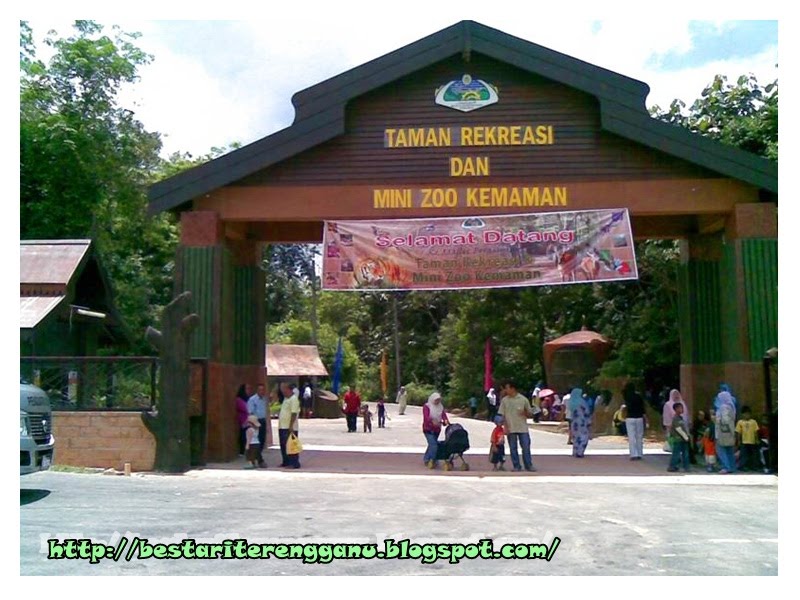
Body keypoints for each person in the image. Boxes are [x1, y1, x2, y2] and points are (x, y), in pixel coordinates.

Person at [498, 381, 536, 472]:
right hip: (511, 428)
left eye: (507, 388)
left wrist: (525, 413)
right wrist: (505, 427)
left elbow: (530, 413)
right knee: (513, 448)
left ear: (513, 388)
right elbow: (502, 415)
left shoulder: (523, 399)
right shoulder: (505, 401)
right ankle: (516, 466)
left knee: (526, 447)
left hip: (522, 428)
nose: (506, 390)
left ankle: (528, 465)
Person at [422, 392, 449, 468]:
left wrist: (446, 420)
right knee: (434, 445)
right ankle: (432, 459)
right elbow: (426, 417)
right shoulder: (427, 406)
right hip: (428, 429)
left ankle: (427, 458)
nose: (437, 402)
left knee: (432, 444)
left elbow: (443, 415)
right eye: (436, 400)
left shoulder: (440, 407)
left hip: (437, 429)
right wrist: (432, 421)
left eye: (439, 400)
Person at [278, 383, 301, 469]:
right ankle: (286, 461)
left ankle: (294, 463)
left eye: (284, 389)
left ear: (289, 389)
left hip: (290, 427)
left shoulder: (293, 399)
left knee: (292, 445)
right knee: (283, 445)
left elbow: (294, 413)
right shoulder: (286, 399)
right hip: (282, 426)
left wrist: (291, 425)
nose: (282, 391)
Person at [248, 383, 269, 468]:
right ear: (257, 390)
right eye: (260, 390)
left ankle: (255, 458)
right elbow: (250, 412)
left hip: (263, 421)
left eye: (263, 390)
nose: (262, 391)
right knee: (256, 442)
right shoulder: (252, 400)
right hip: (255, 421)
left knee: (262, 441)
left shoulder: (264, 399)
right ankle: (260, 460)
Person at [623, 382, 646, 460]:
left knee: (631, 436)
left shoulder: (627, 397)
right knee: (639, 436)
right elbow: (643, 408)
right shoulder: (639, 396)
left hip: (630, 418)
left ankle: (633, 454)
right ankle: (640, 453)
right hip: (639, 417)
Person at [715, 395, 737, 474]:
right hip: (729, 432)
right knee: (729, 451)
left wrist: (717, 420)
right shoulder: (731, 407)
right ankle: (732, 467)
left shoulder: (723, 407)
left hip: (722, 432)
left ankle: (726, 467)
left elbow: (725, 420)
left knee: (721, 450)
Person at [568, 387, 592, 458]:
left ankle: (575, 451)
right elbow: (586, 412)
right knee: (584, 437)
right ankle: (580, 452)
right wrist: (589, 422)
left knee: (576, 437)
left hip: (574, 422)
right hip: (582, 421)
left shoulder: (571, 402)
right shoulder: (582, 402)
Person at [667, 402, 690, 472]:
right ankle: (672, 466)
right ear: (676, 409)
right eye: (680, 408)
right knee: (676, 453)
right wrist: (686, 437)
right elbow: (678, 429)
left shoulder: (681, 418)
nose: (682, 409)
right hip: (678, 439)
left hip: (682, 439)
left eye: (682, 407)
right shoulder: (676, 418)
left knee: (685, 453)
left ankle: (686, 466)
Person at [736, 406, 760, 472]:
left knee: (753, 454)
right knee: (744, 455)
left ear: (750, 414)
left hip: (752, 441)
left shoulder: (754, 422)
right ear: (742, 414)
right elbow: (738, 432)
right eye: (745, 414)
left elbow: (756, 432)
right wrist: (738, 441)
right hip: (744, 441)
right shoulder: (740, 422)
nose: (747, 415)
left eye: (748, 414)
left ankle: (754, 466)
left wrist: (757, 439)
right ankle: (743, 466)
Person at [235, 384, 251, 457]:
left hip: (248, 420)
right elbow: (246, 409)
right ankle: (242, 451)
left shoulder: (247, 399)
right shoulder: (239, 399)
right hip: (243, 420)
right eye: (247, 389)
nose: (248, 391)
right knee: (243, 436)